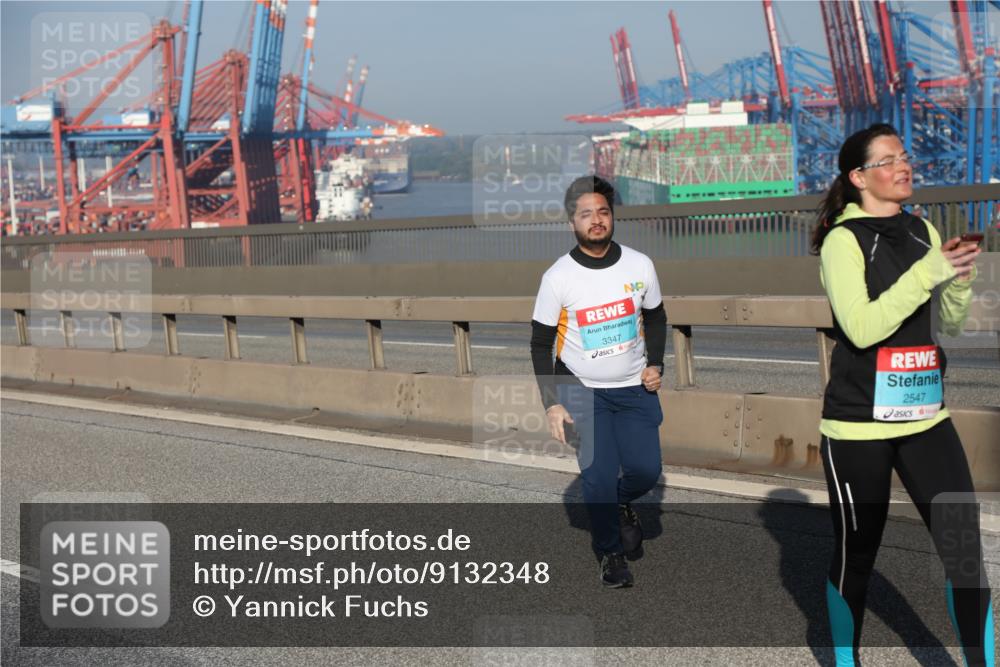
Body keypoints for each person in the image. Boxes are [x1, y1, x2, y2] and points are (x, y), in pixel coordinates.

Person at [813, 123, 993, 666]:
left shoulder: (923, 230)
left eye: (905, 155)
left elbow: (949, 325)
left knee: (966, 555)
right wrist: (930, 272)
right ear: (860, 176)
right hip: (858, 429)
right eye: (889, 160)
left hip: (927, 420)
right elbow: (863, 328)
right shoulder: (842, 242)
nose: (904, 165)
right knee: (857, 557)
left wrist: (957, 280)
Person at [531, 175, 667, 588]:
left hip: (634, 388)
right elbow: (540, 344)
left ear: (612, 217)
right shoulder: (558, 277)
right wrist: (553, 402)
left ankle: (622, 502)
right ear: (572, 221)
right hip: (581, 389)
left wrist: (656, 363)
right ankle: (609, 553)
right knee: (598, 475)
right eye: (586, 214)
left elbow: (656, 316)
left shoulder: (640, 265)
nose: (596, 220)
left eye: (603, 212)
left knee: (646, 471)